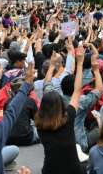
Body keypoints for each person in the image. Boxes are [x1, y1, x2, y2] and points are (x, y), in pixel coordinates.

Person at [36, 45, 85, 174]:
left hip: (50, 170)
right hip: (73, 170)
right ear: (61, 105)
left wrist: (51, 66)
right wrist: (79, 64)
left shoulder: (39, 125)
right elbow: (77, 91)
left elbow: (46, 86)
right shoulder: (68, 118)